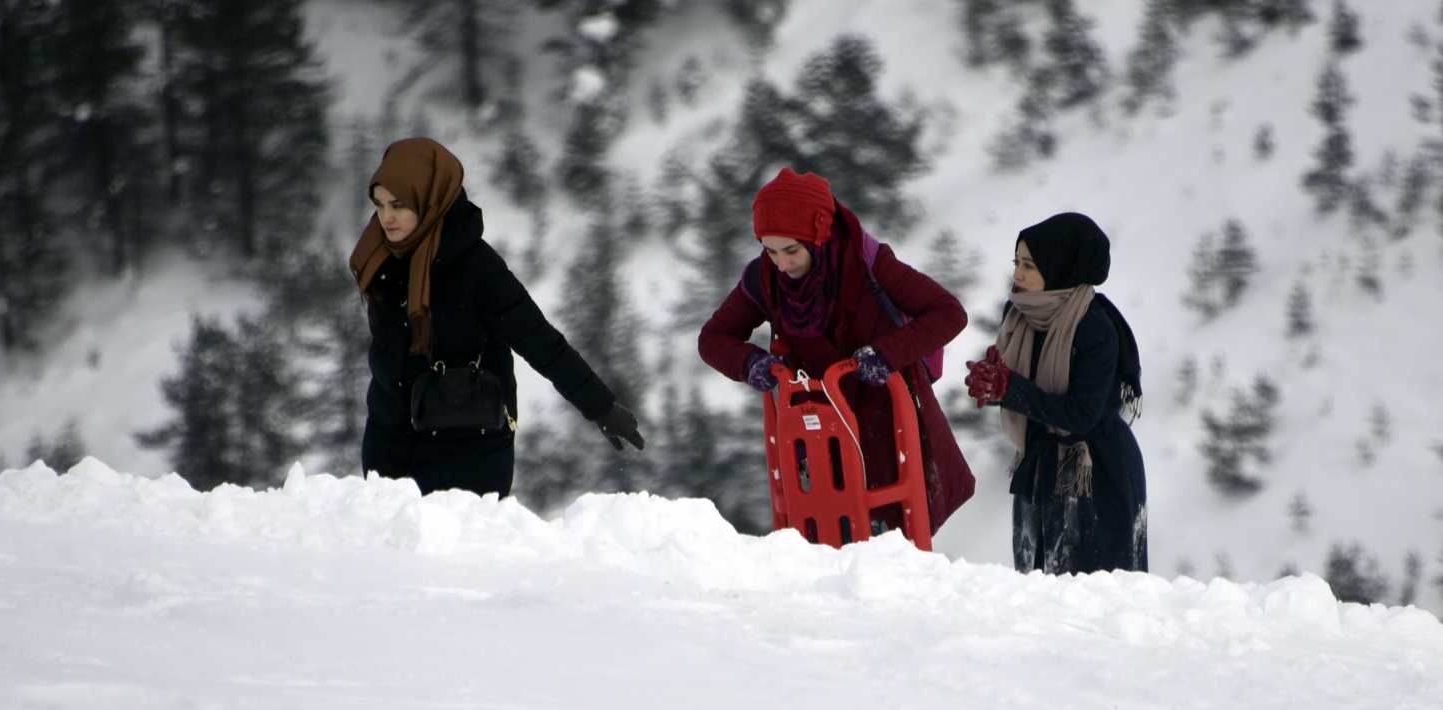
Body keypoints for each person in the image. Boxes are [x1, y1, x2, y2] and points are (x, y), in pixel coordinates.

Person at [350, 137, 643, 499]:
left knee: (462, 552)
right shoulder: (379, 258)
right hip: (389, 446)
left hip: (468, 450)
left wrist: (601, 407)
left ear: (430, 200)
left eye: (398, 204)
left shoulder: (477, 268)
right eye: (379, 204)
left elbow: (541, 342)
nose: (386, 218)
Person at [697, 168, 975, 535]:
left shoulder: (869, 263)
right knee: (823, 531)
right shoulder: (764, 278)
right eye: (770, 250)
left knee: (889, 537)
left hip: (883, 420)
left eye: (792, 250)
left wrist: (886, 354)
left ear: (819, 233)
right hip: (815, 425)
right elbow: (713, 338)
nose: (782, 264)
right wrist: (751, 363)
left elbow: (948, 313)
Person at [963, 212, 1146, 575]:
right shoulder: (1020, 314)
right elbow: (1027, 391)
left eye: (1029, 264)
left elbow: (1080, 415)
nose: (1017, 274)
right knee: (1037, 591)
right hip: (1041, 466)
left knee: (1095, 596)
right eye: (1016, 261)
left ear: (1061, 266)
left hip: (1095, 474)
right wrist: (997, 385)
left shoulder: (1095, 327)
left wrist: (1011, 388)